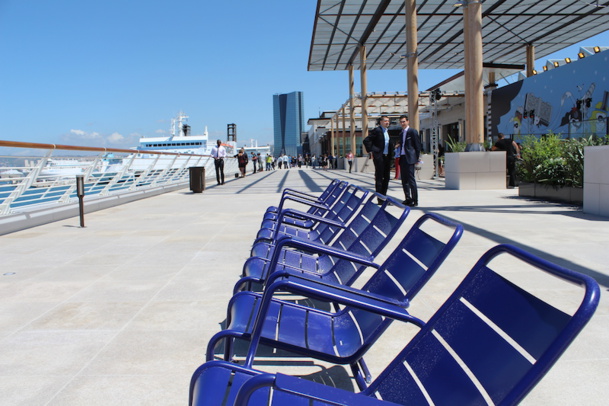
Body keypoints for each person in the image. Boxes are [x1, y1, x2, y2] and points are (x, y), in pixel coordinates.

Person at [363, 115, 394, 204]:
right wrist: (372, 151)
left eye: (388, 121)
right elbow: (366, 140)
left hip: (387, 157)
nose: (387, 122)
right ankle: (380, 199)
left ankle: (383, 197)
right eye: (385, 121)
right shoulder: (377, 130)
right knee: (380, 177)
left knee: (387, 178)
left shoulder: (388, 131)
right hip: (379, 157)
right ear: (380, 122)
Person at [398, 115, 421, 207]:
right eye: (401, 122)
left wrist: (416, 158)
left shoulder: (412, 132)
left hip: (410, 158)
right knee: (404, 180)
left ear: (408, 121)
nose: (402, 123)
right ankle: (408, 198)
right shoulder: (401, 133)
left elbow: (417, 146)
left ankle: (415, 200)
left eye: (404, 121)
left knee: (411, 180)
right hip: (402, 157)